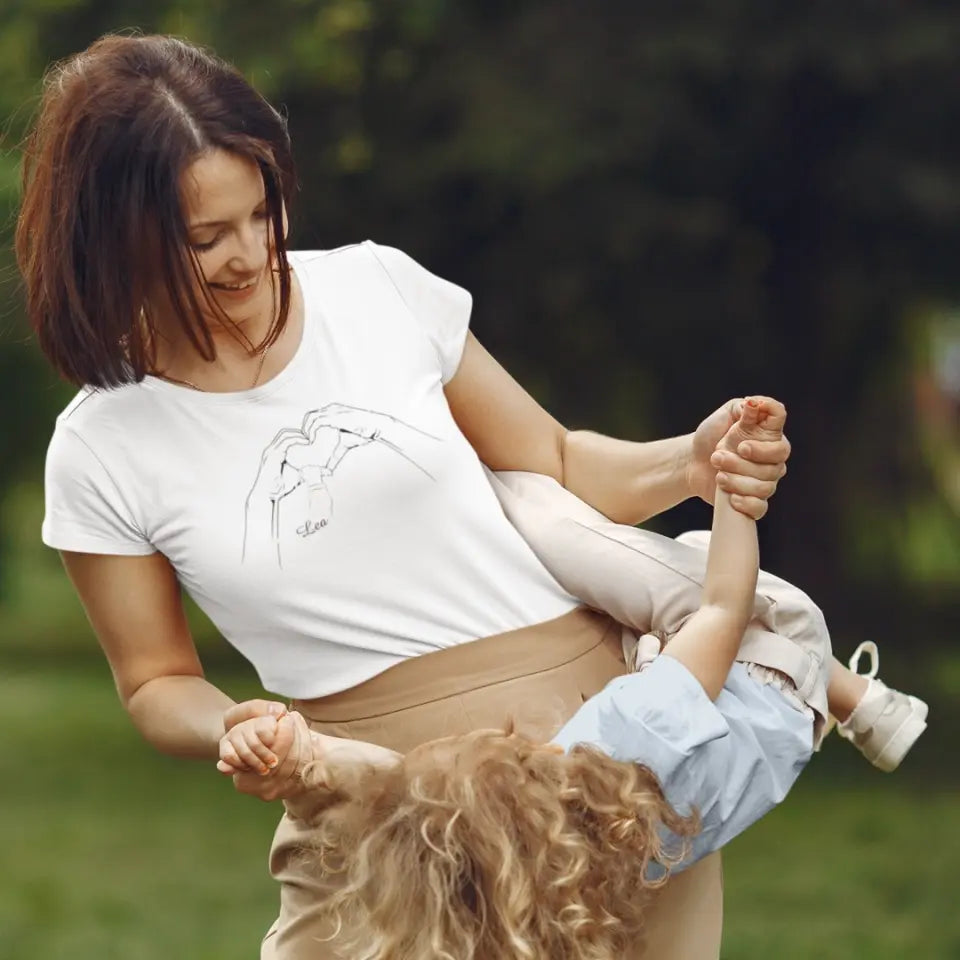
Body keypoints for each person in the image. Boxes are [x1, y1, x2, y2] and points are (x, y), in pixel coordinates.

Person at [21, 33, 793, 960]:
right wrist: (239, 726)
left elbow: (552, 455)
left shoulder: (378, 288)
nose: (254, 254)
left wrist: (689, 466)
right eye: (204, 238)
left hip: (602, 769)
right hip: (376, 810)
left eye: (263, 212)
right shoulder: (102, 445)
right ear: (114, 240)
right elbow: (153, 683)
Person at [253, 398, 928, 960]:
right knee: (551, 513)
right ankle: (852, 693)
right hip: (778, 662)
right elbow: (723, 602)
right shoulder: (624, 744)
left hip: (741, 736)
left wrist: (303, 755)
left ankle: (855, 701)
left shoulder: (563, 884)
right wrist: (732, 493)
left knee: (633, 611)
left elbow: (384, 783)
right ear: (534, 756)